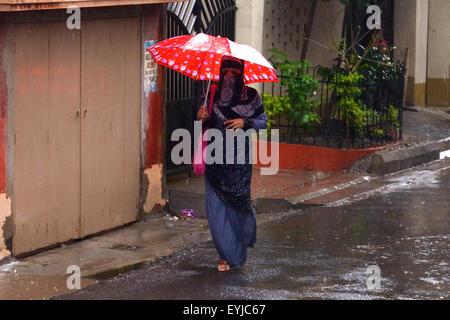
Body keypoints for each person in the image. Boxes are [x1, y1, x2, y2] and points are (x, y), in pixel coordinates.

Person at [196, 55, 267, 272]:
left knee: (238, 205)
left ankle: (243, 238)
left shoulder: (252, 96)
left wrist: (244, 122)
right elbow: (199, 126)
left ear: (241, 73)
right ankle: (226, 253)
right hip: (215, 159)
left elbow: (263, 122)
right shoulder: (211, 94)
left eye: (234, 72)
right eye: (225, 71)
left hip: (239, 161)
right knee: (217, 210)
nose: (229, 76)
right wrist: (201, 117)